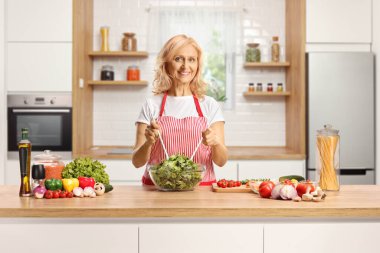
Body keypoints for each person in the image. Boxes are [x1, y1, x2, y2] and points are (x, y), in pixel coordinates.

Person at [132, 34, 228, 186]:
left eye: (191, 59)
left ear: (197, 64)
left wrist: (215, 143)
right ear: (166, 63)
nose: (185, 66)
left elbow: (221, 161)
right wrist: (148, 143)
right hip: (158, 191)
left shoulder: (209, 105)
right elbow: (137, 162)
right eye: (178, 59)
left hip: (201, 192)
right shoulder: (151, 105)